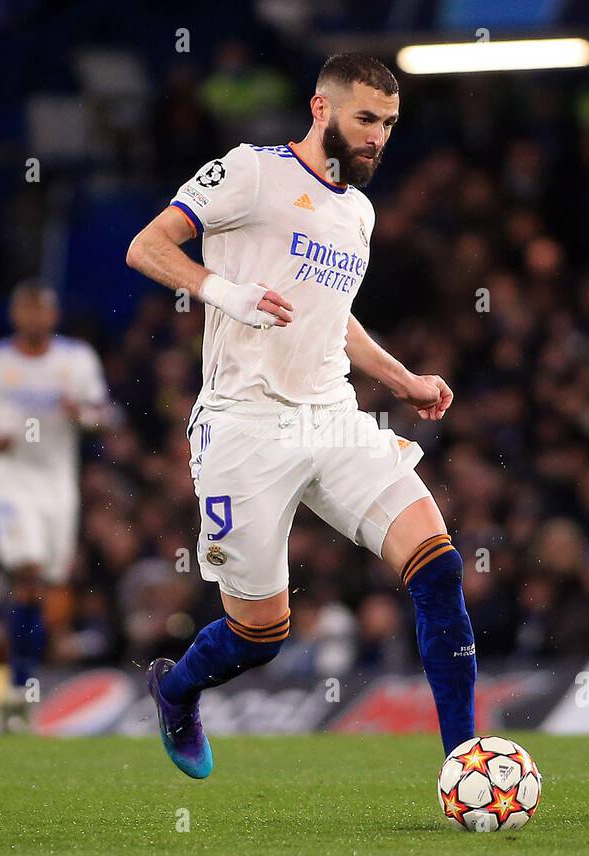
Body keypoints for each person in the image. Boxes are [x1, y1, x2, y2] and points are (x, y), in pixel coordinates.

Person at [126, 53, 477, 779]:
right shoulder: (251, 172)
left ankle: (463, 764)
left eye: (388, 124)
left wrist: (400, 376)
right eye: (366, 119)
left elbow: (334, 317)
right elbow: (148, 246)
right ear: (321, 109)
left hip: (332, 416)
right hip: (244, 424)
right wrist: (222, 290)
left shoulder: (359, 210)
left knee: (437, 565)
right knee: (261, 634)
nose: (378, 136)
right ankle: (178, 688)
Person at [0, 279, 114, 733]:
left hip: (57, 486)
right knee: (26, 574)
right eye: (27, 310)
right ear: (15, 315)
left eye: (43, 310)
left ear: (53, 315)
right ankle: (19, 686)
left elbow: (102, 416)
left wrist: (80, 413)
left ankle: (24, 686)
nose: (35, 318)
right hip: (10, 480)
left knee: (47, 584)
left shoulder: (76, 360)